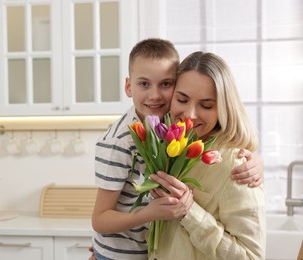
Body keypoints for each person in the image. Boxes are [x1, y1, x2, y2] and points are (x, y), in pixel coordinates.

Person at [91, 39, 264, 260]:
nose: (155, 95)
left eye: (165, 84)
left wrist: (256, 161)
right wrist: (103, 249)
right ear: (129, 86)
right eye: (182, 99)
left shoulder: (232, 161)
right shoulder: (133, 137)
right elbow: (101, 218)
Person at [148, 51, 266, 259]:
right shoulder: (168, 147)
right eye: (182, 99)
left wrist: (189, 212)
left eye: (206, 105)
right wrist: (113, 247)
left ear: (223, 108)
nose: (190, 115)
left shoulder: (237, 165)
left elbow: (251, 257)